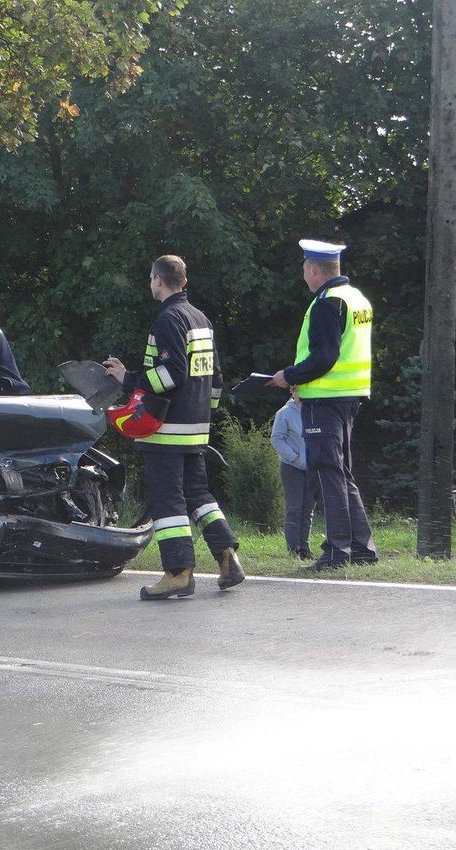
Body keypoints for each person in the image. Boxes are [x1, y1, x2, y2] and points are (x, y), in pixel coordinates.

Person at [104, 255, 244, 600]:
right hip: (196, 429)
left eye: (150, 279)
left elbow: (170, 375)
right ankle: (228, 559)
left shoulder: (168, 319)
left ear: (158, 279)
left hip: (166, 431)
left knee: (168, 503)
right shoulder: (200, 318)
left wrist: (128, 379)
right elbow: (215, 379)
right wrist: (203, 417)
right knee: (200, 497)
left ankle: (178, 573)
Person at [267, 239, 376, 570]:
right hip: (349, 396)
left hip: (324, 399)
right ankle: (361, 549)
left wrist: (289, 375)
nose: (304, 276)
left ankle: (336, 551)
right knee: (342, 472)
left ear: (314, 270)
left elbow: (324, 356)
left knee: (328, 472)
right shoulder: (356, 298)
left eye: (304, 270)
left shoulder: (327, 303)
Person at [271, 388, 317, 560]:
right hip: (292, 467)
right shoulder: (284, 413)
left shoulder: (313, 410)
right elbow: (276, 439)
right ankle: (294, 549)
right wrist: (294, 457)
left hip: (312, 467)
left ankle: (304, 548)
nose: (300, 392)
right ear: (292, 392)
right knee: (295, 508)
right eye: (297, 389)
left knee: (308, 509)